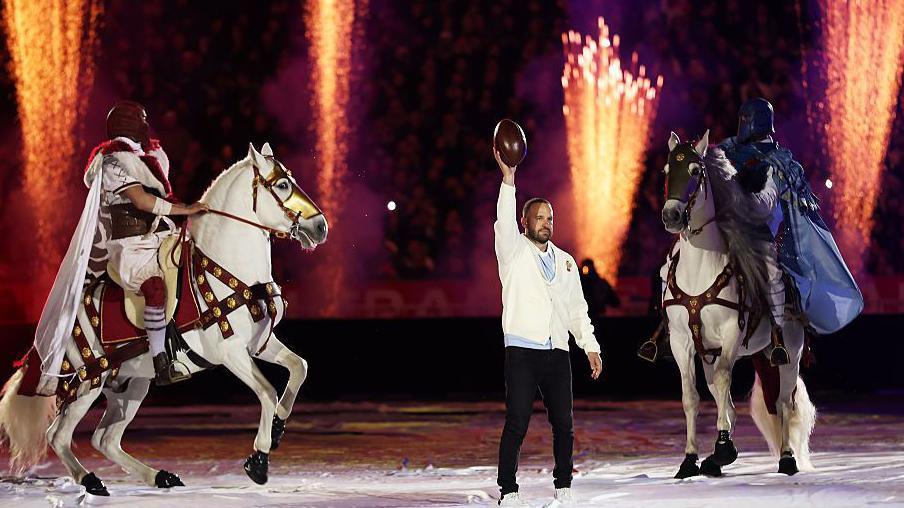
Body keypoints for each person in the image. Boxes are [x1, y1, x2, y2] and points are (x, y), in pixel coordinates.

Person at [492, 148, 603, 507]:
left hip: (557, 351)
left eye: (550, 218)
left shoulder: (567, 261)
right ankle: (508, 490)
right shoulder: (512, 252)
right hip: (523, 350)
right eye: (539, 217)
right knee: (517, 423)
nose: (546, 223)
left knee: (564, 424)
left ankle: (564, 484)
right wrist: (509, 181)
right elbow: (503, 222)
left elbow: (576, 309)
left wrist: (590, 346)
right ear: (525, 223)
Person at [718, 97, 862, 363]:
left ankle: (776, 333)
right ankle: (665, 332)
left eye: (747, 119)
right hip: (725, 229)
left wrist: (737, 198)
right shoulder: (725, 150)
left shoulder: (781, 161)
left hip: (762, 233)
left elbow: (765, 207)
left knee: (772, 273)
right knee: (675, 261)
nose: (743, 124)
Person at [90, 101, 208, 384]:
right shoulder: (111, 161)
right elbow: (141, 200)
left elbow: (160, 199)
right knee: (154, 288)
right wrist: (186, 209)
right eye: (141, 120)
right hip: (129, 245)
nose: (147, 125)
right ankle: (160, 360)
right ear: (127, 124)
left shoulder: (146, 156)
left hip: (156, 235)